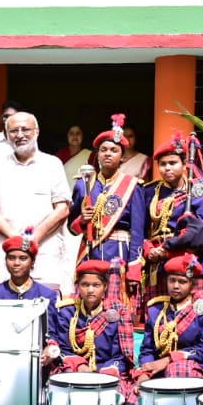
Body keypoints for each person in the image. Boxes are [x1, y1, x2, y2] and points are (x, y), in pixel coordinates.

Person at [0, 112, 73, 290]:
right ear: (7, 136)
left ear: (37, 131)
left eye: (25, 129)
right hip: (5, 251)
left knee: (46, 307)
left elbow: (62, 208)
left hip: (45, 251)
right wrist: (15, 240)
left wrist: (34, 239)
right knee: (4, 308)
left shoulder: (52, 164)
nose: (20, 135)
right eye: (14, 131)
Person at [48, 259, 139, 405]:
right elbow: (63, 349)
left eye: (96, 285)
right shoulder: (67, 311)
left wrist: (109, 370)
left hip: (107, 368)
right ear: (78, 287)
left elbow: (122, 354)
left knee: (116, 397)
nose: (90, 290)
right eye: (85, 284)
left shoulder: (118, 311)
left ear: (105, 286)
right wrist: (79, 365)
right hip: (76, 369)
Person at [69, 114, 146, 310]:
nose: (108, 154)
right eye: (103, 150)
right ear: (97, 154)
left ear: (122, 155)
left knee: (116, 310)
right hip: (90, 252)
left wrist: (134, 269)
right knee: (89, 307)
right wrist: (82, 220)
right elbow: (72, 227)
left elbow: (138, 230)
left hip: (119, 253)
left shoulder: (132, 186)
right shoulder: (83, 184)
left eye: (114, 150)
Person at [139, 133, 203, 317]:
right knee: (159, 313)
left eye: (173, 163)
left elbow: (201, 231)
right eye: (163, 164)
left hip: (186, 260)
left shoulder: (196, 191)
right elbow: (143, 229)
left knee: (189, 316)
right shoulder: (150, 191)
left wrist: (168, 248)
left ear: (184, 163)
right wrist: (149, 250)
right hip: (157, 262)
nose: (167, 168)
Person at [135, 255, 203, 382]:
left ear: (192, 285)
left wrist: (170, 359)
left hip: (192, 368)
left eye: (182, 281)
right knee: (134, 395)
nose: (176, 286)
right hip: (159, 369)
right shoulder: (156, 310)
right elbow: (147, 350)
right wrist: (145, 372)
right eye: (172, 280)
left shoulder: (202, 311)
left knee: (177, 370)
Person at [0, 231, 61, 311]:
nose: (16, 263)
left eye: (23, 258)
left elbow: (51, 323)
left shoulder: (46, 295)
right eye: (11, 258)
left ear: (33, 262)